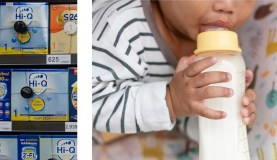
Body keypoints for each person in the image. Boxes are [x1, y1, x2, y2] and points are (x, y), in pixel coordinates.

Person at [92, 0, 257, 139]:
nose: (227, 5)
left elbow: (184, 119)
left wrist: (224, 113)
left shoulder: (222, 50)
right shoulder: (121, 27)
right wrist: (170, 100)